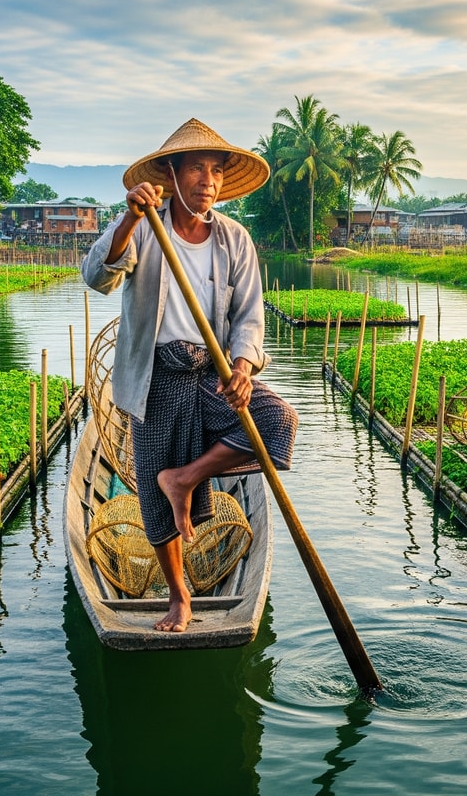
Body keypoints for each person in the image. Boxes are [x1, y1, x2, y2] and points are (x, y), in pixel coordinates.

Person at [81, 118, 298, 633]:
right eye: (197, 168)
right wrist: (129, 221)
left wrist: (243, 366)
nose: (209, 180)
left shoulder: (234, 239)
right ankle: (180, 598)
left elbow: (249, 315)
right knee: (155, 506)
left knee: (278, 424)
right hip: (155, 376)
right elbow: (97, 277)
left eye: (217, 170)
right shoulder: (145, 225)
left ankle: (186, 477)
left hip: (212, 372)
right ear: (173, 174)